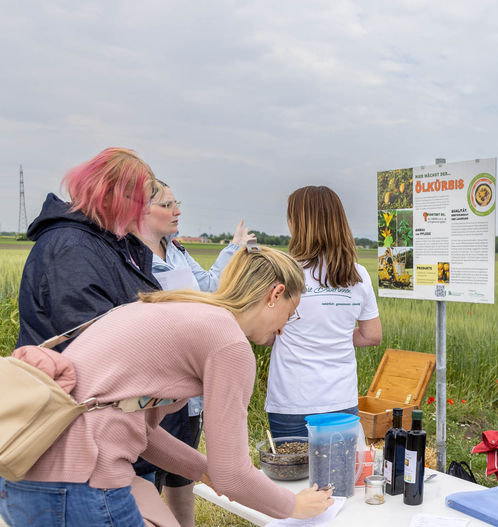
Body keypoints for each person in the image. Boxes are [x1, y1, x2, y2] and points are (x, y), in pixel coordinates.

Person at [0, 247, 334, 526]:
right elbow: (232, 474)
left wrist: (203, 470)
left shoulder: (177, 307)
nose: (283, 329)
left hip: (25, 469)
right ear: (275, 294)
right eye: (291, 314)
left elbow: (141, 433)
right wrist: (293, 506)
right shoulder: (228, 342)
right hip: (81, 478)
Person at [132, 179, 255, 527]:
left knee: (182, 469)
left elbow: (208, 288)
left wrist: (233, 249)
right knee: (146, 473)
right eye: (167, 205)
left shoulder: (176, 250)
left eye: (177, 204)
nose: (177, 212)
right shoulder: (127, 257)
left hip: (186, 385)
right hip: (152, 384)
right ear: (140, 210)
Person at [265, 185, 382, 438]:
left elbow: (263, 335)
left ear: (298, 224)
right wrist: (333, 335)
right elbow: (372, 335)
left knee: (292, 465)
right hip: (342, 401)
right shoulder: (358, 274)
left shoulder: (283, 273)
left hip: (292, 401)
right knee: (338, 465)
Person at [17, 147, 160, 350]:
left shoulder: (109, 242)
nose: (146, 210)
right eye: (141, 202)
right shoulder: (72, 250)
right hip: (73, 370)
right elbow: (95, 342)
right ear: (107, 195)